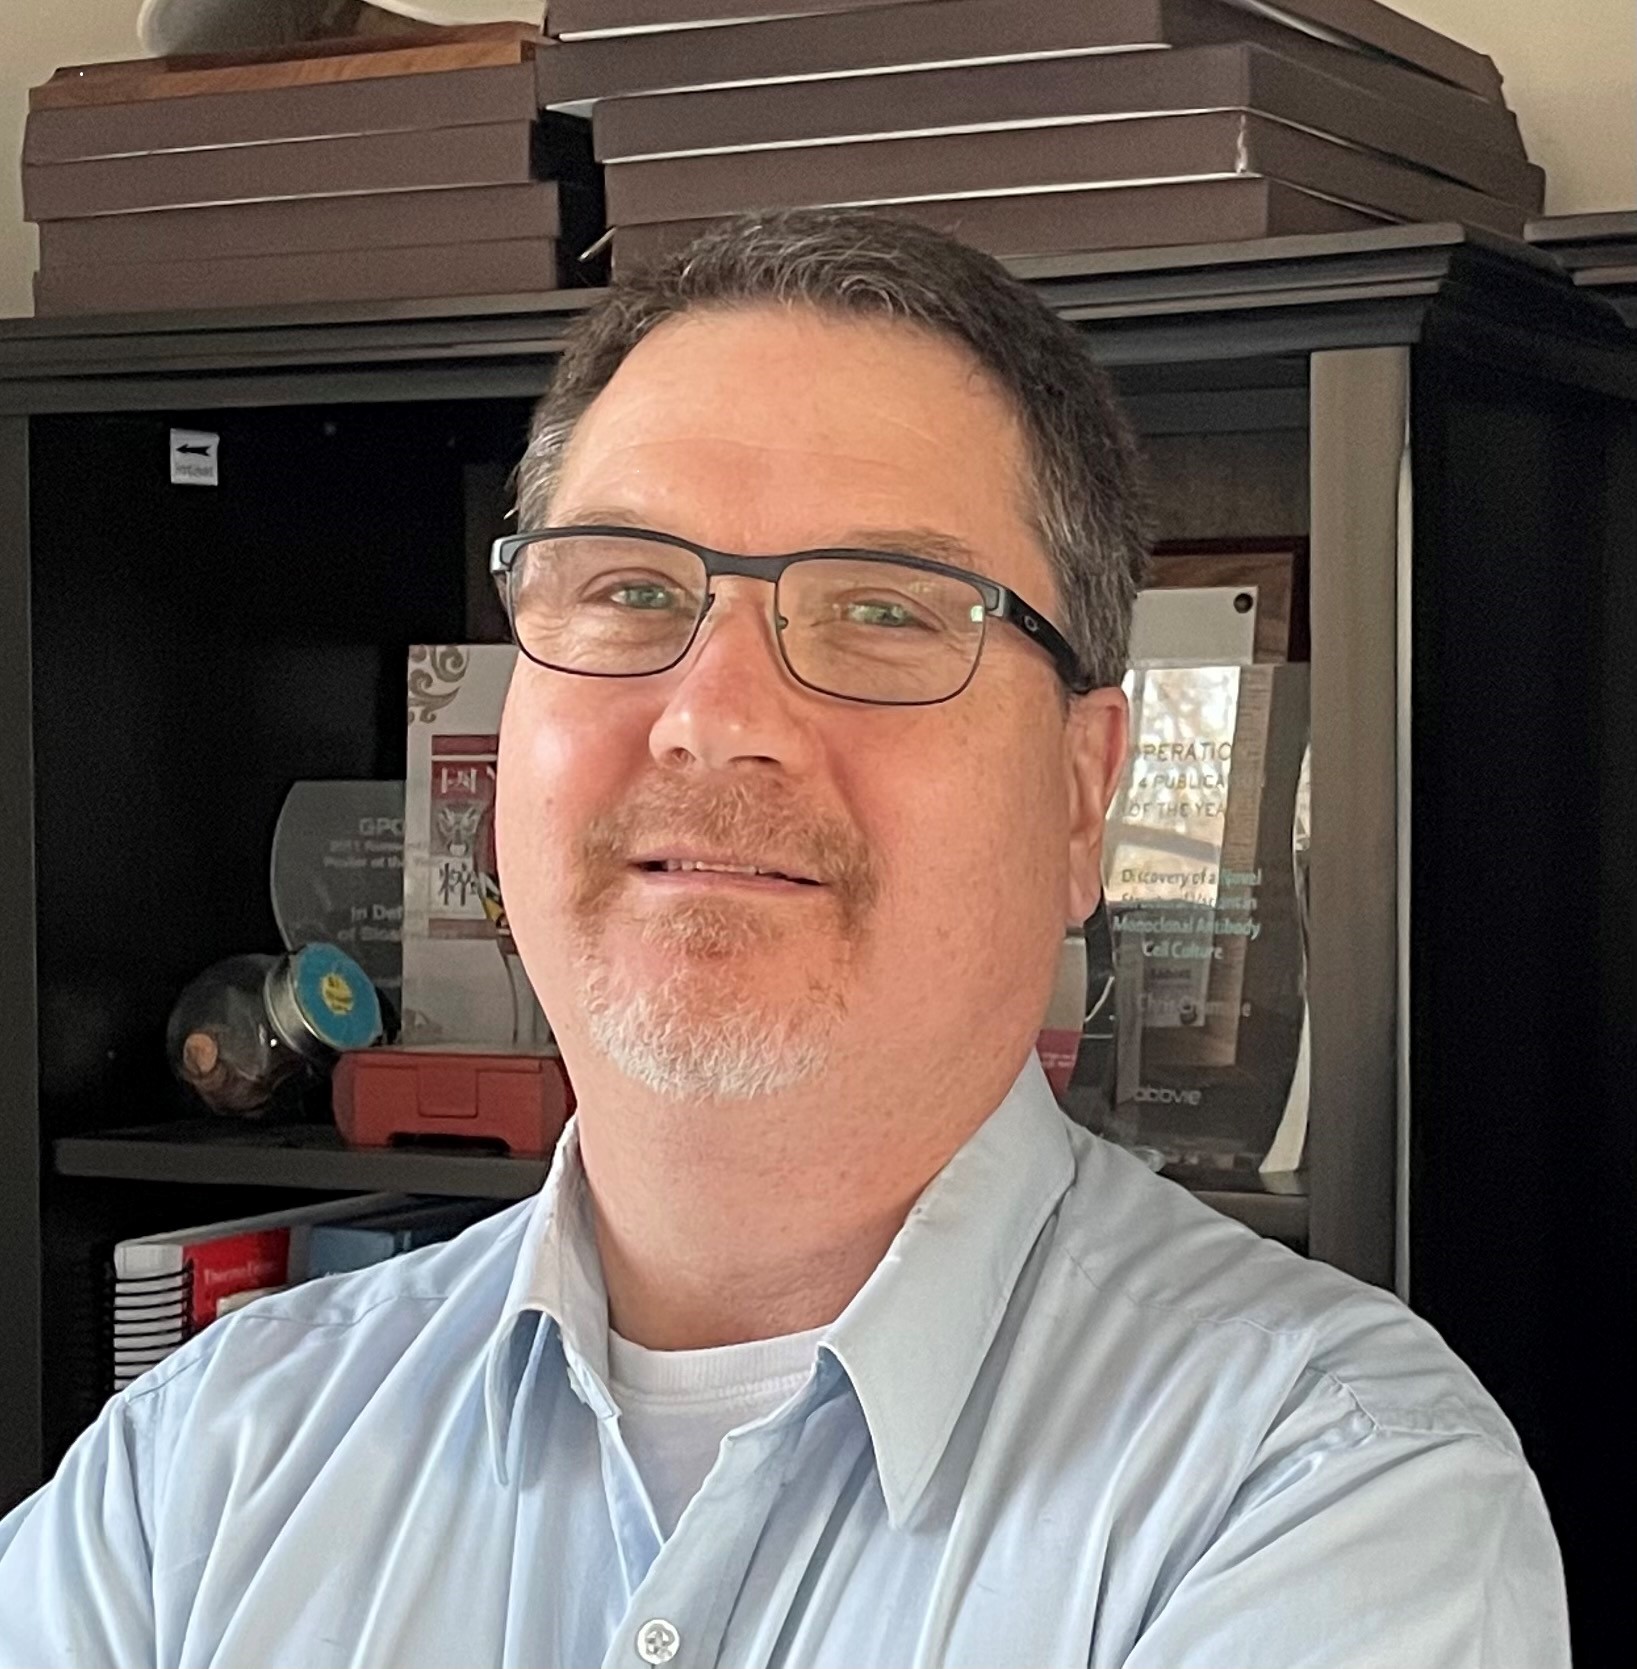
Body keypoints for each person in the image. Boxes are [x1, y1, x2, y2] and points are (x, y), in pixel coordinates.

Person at [0, 209, 1567, 1667]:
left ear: (1083, 795)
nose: (715, 720)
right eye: (625, 587)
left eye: (884, 609)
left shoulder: (1328, 1493)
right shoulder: (201, 1466)